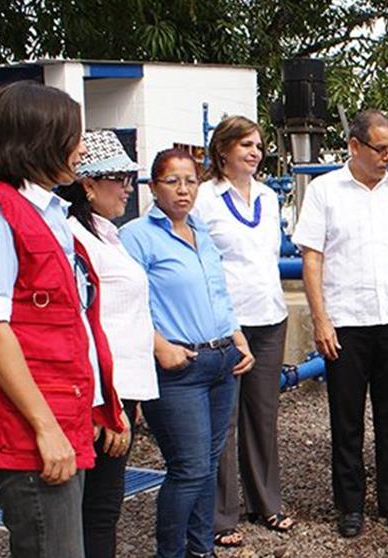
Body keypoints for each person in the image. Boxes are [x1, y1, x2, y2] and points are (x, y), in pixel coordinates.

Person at [0, 81, 124, 557]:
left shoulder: (46, 214)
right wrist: (47, 428)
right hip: (29, 431)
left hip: (60, 417)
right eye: (74, 135)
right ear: (40, 138)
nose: (82, 148)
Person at [291, 109, 388, 538]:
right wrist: (320, 320)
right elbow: (311, 259)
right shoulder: (324, 191)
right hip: (346, 324)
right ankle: (349, 506)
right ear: (355, 146)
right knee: (346, 420)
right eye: (381, 148)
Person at [119, 149, 255, 558]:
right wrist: (160, 347)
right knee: (189, 468)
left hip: (220, 360)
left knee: (208, 466)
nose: (183, 190)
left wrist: (237, 337)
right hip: (180, 368)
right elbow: (127, 303)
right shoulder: (137, 237)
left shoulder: (202, 233)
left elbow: (218, 293)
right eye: (172, 181)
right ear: (153, 187)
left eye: (191, 181)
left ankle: (201, 550)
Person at [59, 130, 158, 558]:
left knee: (103, 507)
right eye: (117, 177)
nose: (126, 188)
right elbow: (83, 324)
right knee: (96, 508)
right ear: (87, 184)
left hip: (120, 388)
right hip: (102, 392)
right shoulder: (74, 237)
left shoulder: (105, 233)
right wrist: (107, 405)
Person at [194, 116, 293, 548]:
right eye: (246, 145)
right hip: (224, 324)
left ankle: (266, 501)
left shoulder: (270, 198)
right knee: (225, 418)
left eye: (258, 145)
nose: (255, 152)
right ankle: (220, 515)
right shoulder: (202, 199)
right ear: (223, 150)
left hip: (269, 315)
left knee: (263, 413)